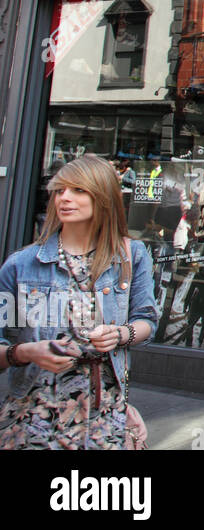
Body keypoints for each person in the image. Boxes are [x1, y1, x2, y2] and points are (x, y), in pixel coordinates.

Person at [0, 155, 159, 449]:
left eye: (78, 190)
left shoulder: (131, 256)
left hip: (104, 414)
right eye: (60, 190)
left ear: (103, 197)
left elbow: (147, 320)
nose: (65, 198)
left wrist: (120, 334)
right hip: (35, 413)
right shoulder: (22, 265)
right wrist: (26, 352)